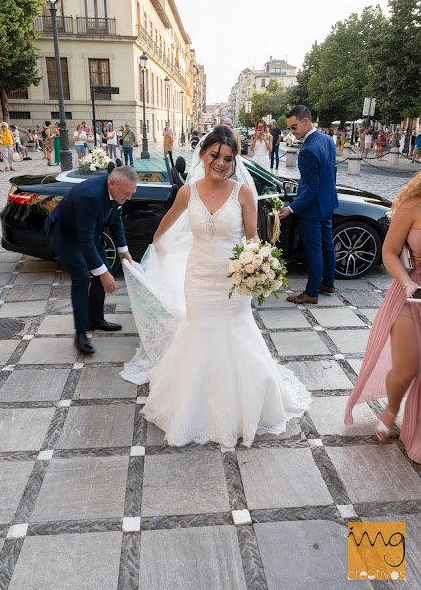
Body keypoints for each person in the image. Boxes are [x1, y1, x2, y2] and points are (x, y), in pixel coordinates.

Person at [120, 126, 310, 447]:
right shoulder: (187, 192)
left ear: (234, 160)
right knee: (199, 333)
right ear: (203, 153)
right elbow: (164, 226)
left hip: (233, 281)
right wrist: (159, 244)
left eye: (228, 158)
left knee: (234, 334)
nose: (221, 163)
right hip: (197, 279)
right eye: (215, 156)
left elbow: (253, 239)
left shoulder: (243, 194)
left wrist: (257, 269)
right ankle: (195, 404)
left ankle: (238, 408)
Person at [345, 172, 421, 463]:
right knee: (405, 369)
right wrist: (406, 282)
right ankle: (392, 406)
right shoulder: (412, 205)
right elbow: (389, 252)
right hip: (409, 291)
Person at [45, 166, 137, 354]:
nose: (129, 198)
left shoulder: (119, 192)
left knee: (106, 271)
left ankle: (95, 319)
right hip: (65, 234)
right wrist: (101, 273)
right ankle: (81, 333)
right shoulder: (88, 196)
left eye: (132, 193)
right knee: (81, 276)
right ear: (111, 183)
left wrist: (123, 250)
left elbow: (116, 218)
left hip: (88, 233)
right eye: (127, 193)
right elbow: (84, 241)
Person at [279, 105, 338, 305]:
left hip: (312, 209)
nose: (291, 132)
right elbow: (332, 173)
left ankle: (311, 292)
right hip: (328, 203)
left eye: (294, 127)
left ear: (305, 121)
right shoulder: (328, 140)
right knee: (327, 246)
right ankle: (328, 283)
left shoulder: (307, 149)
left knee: (315, 251)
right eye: (289, 128)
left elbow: (311, 188)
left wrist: (290, 208)